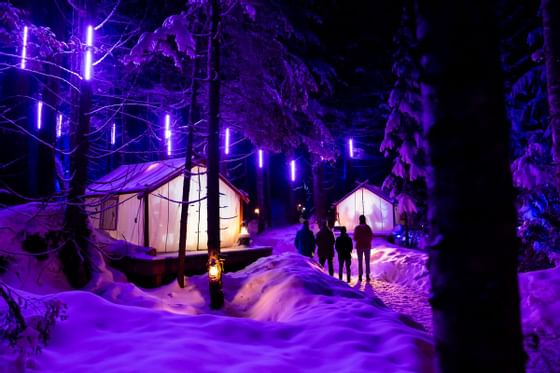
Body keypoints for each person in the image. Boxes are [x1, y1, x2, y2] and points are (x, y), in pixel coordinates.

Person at [353, 214, 373, 282]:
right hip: (367, 246)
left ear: (359, 220)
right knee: (367, 261)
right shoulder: (368, 228)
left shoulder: (357, 228)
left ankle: (360, 276)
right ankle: (367, 275)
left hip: (359, 246)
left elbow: (355, 237)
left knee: (360, 261)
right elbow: (371, 236)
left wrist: (360, 239)